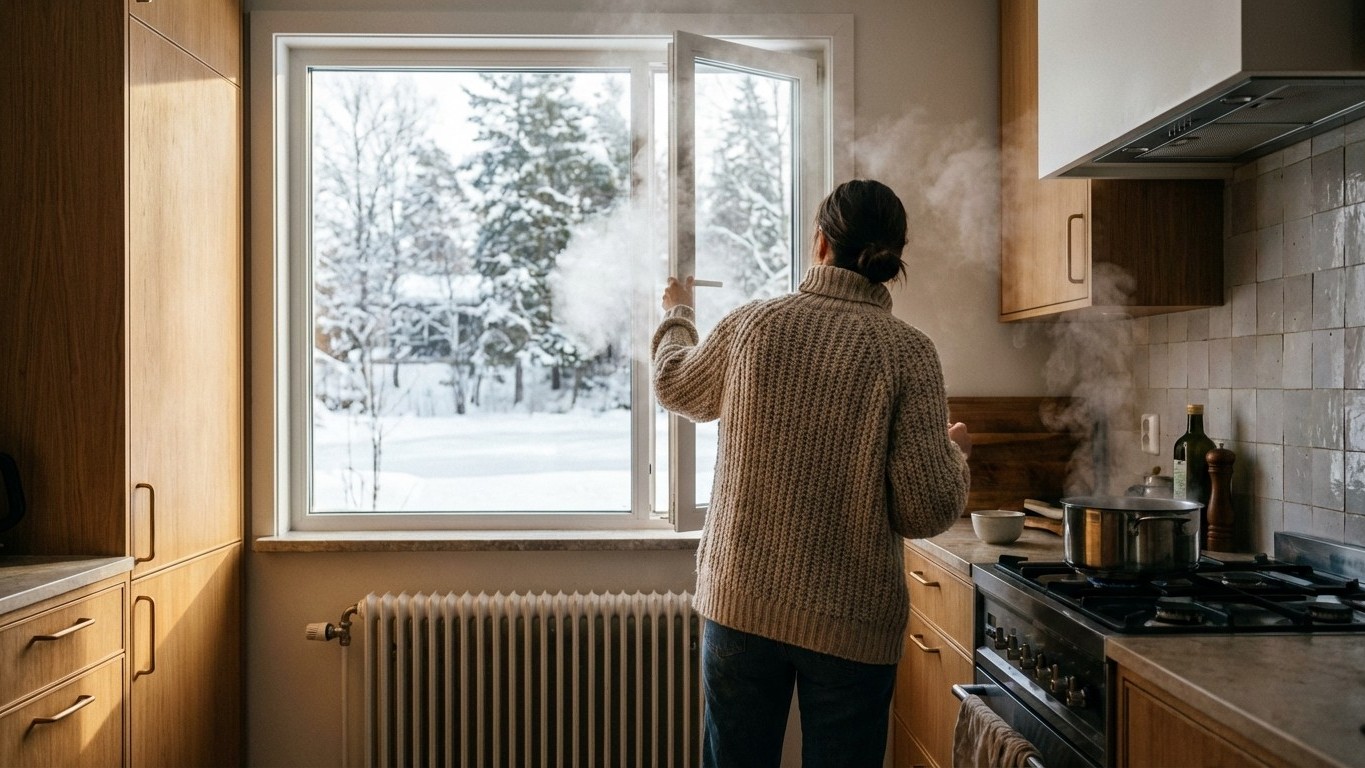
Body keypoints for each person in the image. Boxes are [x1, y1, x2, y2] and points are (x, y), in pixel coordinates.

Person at [651, 178, 972, 767]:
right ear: (894, 257)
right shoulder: (908, 352)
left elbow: (675, 384)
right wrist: (954, 455)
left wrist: (677, 314)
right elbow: (924, 510)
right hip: (853, 624)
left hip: (741, 604)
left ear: (820, 243)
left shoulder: (754, 325)